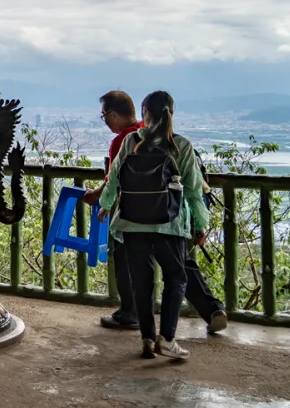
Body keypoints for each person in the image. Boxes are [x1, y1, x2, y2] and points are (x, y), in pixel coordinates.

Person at [88, 91, 228, 334]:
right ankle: (206, 312)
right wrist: (198, 222)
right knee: (178, 268)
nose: (106, 121)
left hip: (134, 217)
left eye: (104, 116)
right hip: (171, 215)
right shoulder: (175, 141)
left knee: (131, 268)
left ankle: (133, 317)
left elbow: (114, 178)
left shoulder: (129, 140)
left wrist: (102, 201)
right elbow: (193, 187)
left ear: (113, 114)